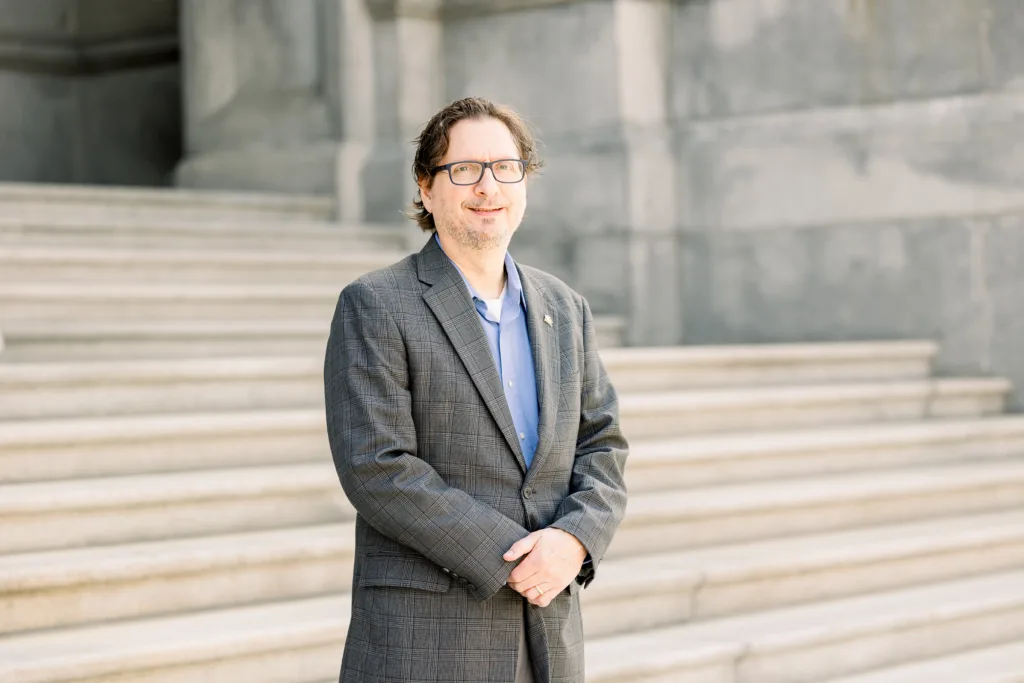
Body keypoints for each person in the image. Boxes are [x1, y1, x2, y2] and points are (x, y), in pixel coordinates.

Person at [324, 96, 628, 683]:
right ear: (426, 187)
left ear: (525, 183)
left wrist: (574, 539)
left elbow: (603, 445)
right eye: (463, 170)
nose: (487, 186)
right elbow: (377, 468)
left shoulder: (566, 309)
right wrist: (512, 559)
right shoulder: (376, 304)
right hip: (427, 636)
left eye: (504, 167)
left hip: (549, 631)